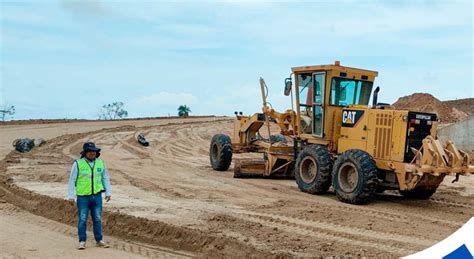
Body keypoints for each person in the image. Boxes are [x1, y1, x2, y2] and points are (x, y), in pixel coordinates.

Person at [67, 142, 112, 250]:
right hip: (83, 197)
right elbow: (72, 180)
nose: (93, 153)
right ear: (85, 153)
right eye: (90, 151)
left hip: (96, 196)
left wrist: (108, 192)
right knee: (82, 219)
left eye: (94, 151)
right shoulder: (78, 164)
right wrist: (71, 196)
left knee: (97, 218)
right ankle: (82, 241)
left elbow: (105, 178)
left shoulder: (101, 163)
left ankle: (99, 240)